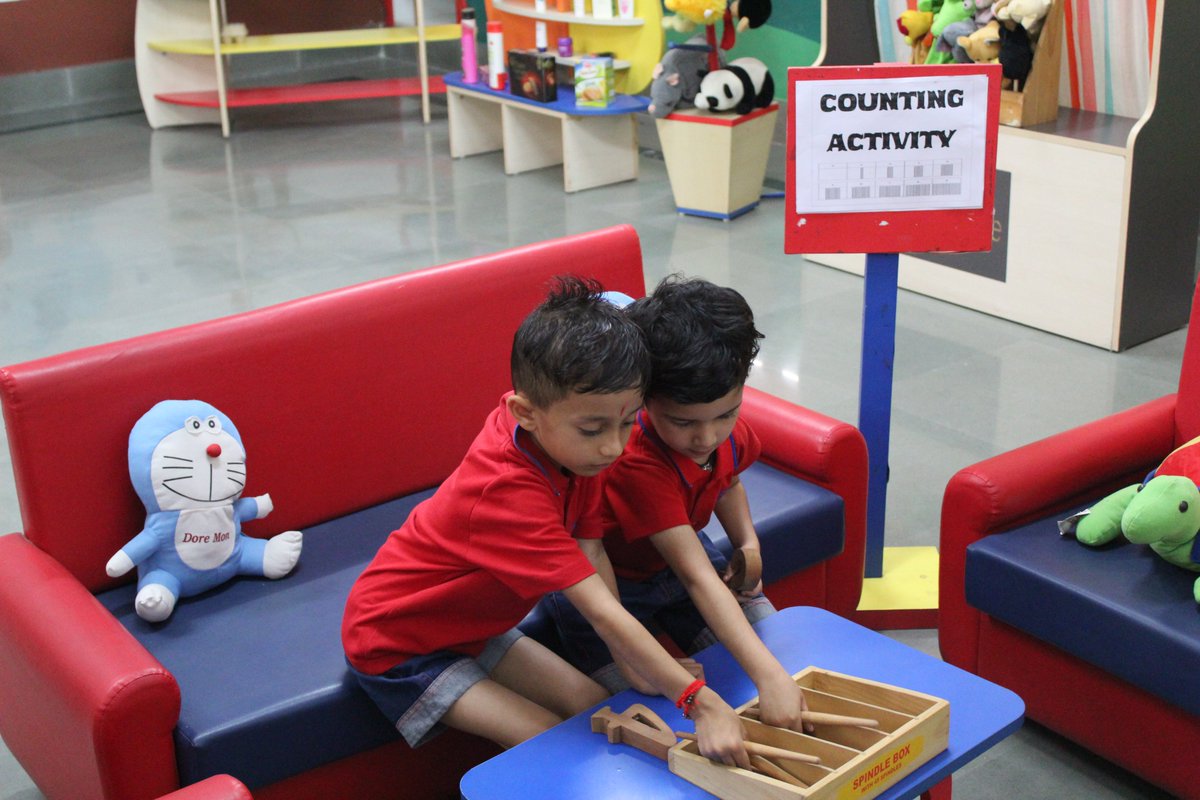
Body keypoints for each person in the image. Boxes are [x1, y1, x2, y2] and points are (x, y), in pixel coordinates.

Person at [341, 275, 750, 766]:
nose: (613, 447)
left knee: (595, 707)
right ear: (525, 411)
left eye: (627, 422)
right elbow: (601, 610)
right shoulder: (508, 493)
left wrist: (629, 665)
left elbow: (591, 547)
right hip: (400, 642)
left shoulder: (572, 448)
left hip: (476, 623)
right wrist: (698, 703)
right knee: (557, 740)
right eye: (593, 428)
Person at [544, 275, 811, 733]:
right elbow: (696, 576)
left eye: (725, 414)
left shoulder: (725, 437)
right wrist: (768, 676)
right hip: (615, 586)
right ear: (643, 397)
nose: (706, 437)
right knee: (646, 711)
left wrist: (747, 542)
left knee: (777, 648)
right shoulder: (637, 464)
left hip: (680, 558)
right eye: (682, 421)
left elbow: (728, 484)